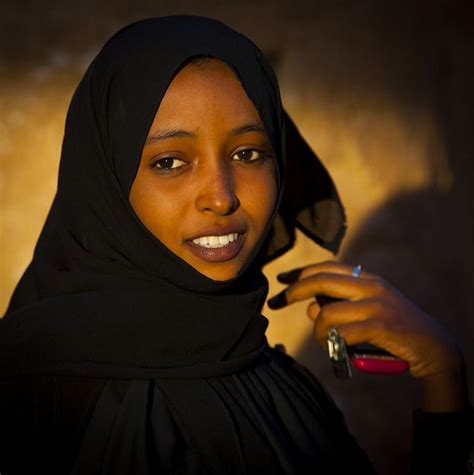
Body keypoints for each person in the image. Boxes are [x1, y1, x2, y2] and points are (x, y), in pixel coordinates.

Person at [0, 15, 472, 475]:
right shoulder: (34, 400)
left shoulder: (273, 379)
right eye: (169, 162)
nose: (222, 196)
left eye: (248, 154)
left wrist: (442, 376)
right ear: (105, 183)